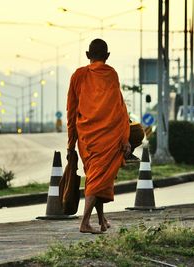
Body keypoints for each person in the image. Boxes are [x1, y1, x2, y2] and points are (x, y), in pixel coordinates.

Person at [67, 39, 131, 234]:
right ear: (108, 56)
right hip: (109, 137)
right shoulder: (111, 74)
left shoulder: (78, 75)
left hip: (87, 138)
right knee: (97, 179)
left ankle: (102, 220)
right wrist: (125, 137)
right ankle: (85, 223)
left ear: (88, 55)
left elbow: (71, 110)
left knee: (97, 178)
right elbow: (120, 109)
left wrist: (71, 143)